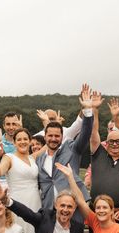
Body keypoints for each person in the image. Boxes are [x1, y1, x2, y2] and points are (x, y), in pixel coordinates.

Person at [37, 84, 94, 213]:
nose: (53, 139)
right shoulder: (39, 158)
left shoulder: (71, 148)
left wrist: (87, 111)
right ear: (44, 137)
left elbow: (85, 134)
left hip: (74, 208)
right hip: (49, 211)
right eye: (50, 136)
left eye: (57, 136)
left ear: (62, 137)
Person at [88, 92, 119, 210]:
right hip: (97, 212)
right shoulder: (98, 155)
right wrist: (95, 109)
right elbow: (94, 133)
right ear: (106, 143)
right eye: (111, 141)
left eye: (118, 141)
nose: (114, 144)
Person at [0, 128, 42, 233]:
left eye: (25, 139)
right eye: (19, 139)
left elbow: (50, 145)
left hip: (35, 201)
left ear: (30, 141)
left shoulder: (33, 158)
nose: (22, 142)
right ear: (14, 142)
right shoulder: (9, 157)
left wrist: (48, 123)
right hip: (17, 202)